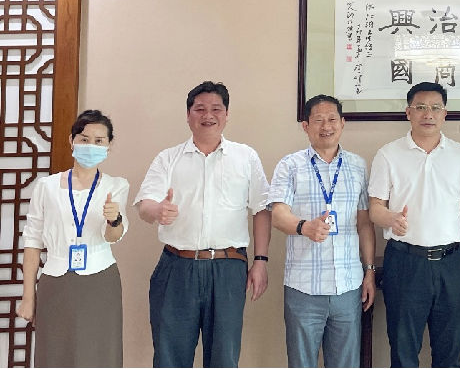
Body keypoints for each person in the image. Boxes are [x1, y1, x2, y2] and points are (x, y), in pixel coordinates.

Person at [134, 81, 271, 368]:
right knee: (170, 357)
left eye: (216, 109)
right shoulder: (168, 158)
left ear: (227, 114)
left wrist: (260, 261)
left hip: (228, 268)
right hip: (177, 267)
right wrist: (158, 210)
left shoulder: (245, 157)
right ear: (188, 115)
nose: (208, 115)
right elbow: (144, 205)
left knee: (224, 357)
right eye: (200, 109)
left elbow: (261, 209)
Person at [368, 82, 460, 368]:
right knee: (403, 352)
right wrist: (391, 218)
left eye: (435, 108)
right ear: (408, 112)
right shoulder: (388, 154)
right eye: (420, 107)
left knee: (449, 352)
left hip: (451, 262)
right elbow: (375, 209)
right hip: (405, 263)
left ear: (445, 114)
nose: (428, 114)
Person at [268, 94, 376, 367]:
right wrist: (304, 227)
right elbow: (278, 215)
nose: (326, 126)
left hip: (348, 285)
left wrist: (370, 272)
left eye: (332, 119)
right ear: (306, 126)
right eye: (318, 120)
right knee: (301, 363)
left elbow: (364, 223)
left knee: (345, 364)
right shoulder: (290, 166)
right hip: (304, 287)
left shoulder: (358, 166)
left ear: (342, 123)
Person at [18, 109, 129, 367]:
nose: (91, 146)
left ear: (109, 145)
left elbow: (114, 236)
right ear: (72, 140)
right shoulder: (46, 186)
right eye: (84, 139)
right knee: (54, 354)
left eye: (99, 141)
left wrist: (114, 219)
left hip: (100, 281)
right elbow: (32, 242)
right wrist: (28, 296)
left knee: (98, 355)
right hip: (55, 281)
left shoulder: (116, 186)